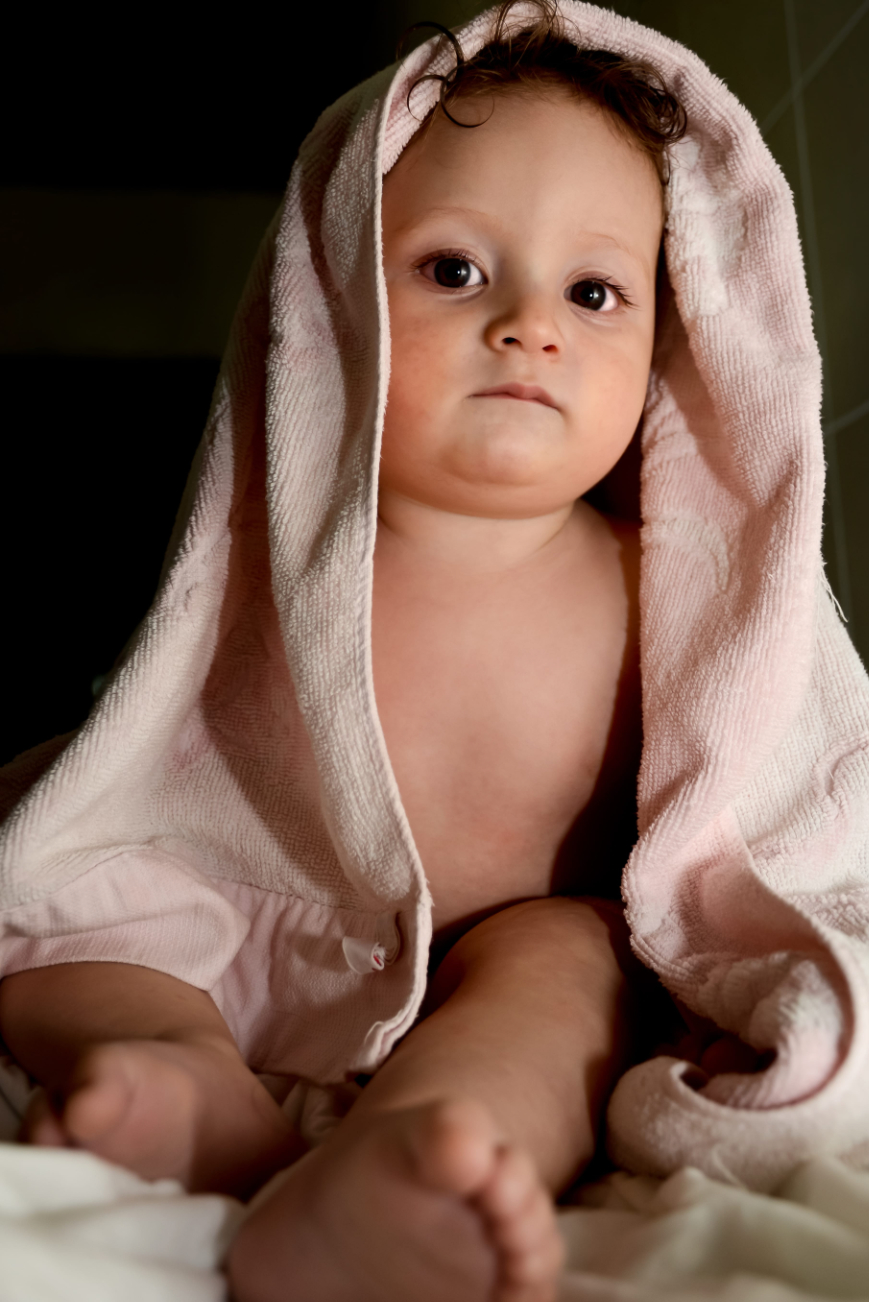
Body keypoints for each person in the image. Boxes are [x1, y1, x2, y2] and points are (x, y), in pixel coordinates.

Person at [5, 0, 866, 1298]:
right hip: (256, 925)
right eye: (456, 269)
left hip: (524, 938)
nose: (532, 325)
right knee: (71, 934)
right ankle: (185, 1078)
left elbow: (787, 787)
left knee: (558, 981)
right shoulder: (269, 563)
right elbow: (153, 772)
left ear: (667, 339)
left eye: (593, 289)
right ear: (334, 303)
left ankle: (414, 1158)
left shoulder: (676, 590)